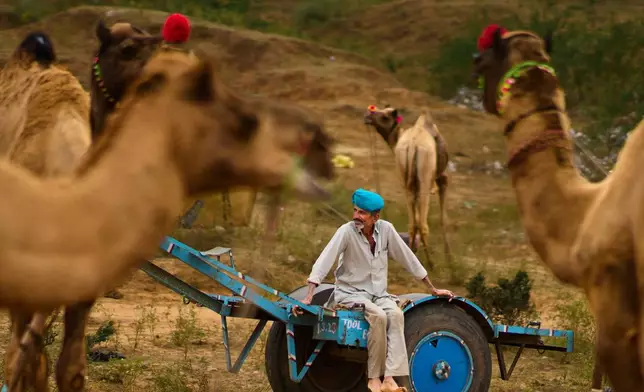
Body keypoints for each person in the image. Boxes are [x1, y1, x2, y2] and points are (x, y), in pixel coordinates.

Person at [302, 188, 455, 392]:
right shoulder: (346, 232)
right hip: (350, 294)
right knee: (378, 316)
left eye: (362, 213)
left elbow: (408, 258)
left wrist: (433, 289)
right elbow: (324, 261)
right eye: (355, 211)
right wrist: (309, 295)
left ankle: (389, 379)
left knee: (396, 314)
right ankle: (374, 379)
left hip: (379, 295)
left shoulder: (386, 230)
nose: (356, 216)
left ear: (375, 217)